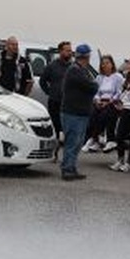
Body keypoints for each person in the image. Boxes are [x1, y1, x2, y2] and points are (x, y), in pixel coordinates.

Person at [59, 43, 96, 181]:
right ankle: (67, 169)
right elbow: (92, 86)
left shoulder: (81, 70)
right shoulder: (75, 70)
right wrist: (94, 85)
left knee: (78, 142)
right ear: (86, 56)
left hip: (80, 112)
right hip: (73, 113)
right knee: (72, 142)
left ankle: (71, 167)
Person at [85, 54, 122, 152]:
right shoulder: (99, 77)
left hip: (112, 102)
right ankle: (96, 140)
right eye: (103, 63)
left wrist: (109, 101)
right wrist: (97, 100)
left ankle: (94, 138)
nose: (105, 65)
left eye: (107, 63)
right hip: (100, 101)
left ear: (112, 64)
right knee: (93, 115)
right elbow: (96, 92)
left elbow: (118, 92)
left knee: (104, 115)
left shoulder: (117, 77)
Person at [109, 57, 130, 173]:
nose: (128, 65)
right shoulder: (127, 78)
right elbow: (124, 93)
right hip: (125, 109)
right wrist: (119, 101)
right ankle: (120, 159)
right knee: (120, 135)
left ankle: (129, 162)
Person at [38, 41, 72, 141]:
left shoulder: (73, 67)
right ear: (60, 51)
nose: (69, 53)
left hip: (68, 102)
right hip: (55, 101)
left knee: (67, 124)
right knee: (55, 125)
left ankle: (66, 142)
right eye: (67, 50)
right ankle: (56, 144)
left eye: (70, 51)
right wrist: (49, 92)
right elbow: (42, 81)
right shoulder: (52, 66)